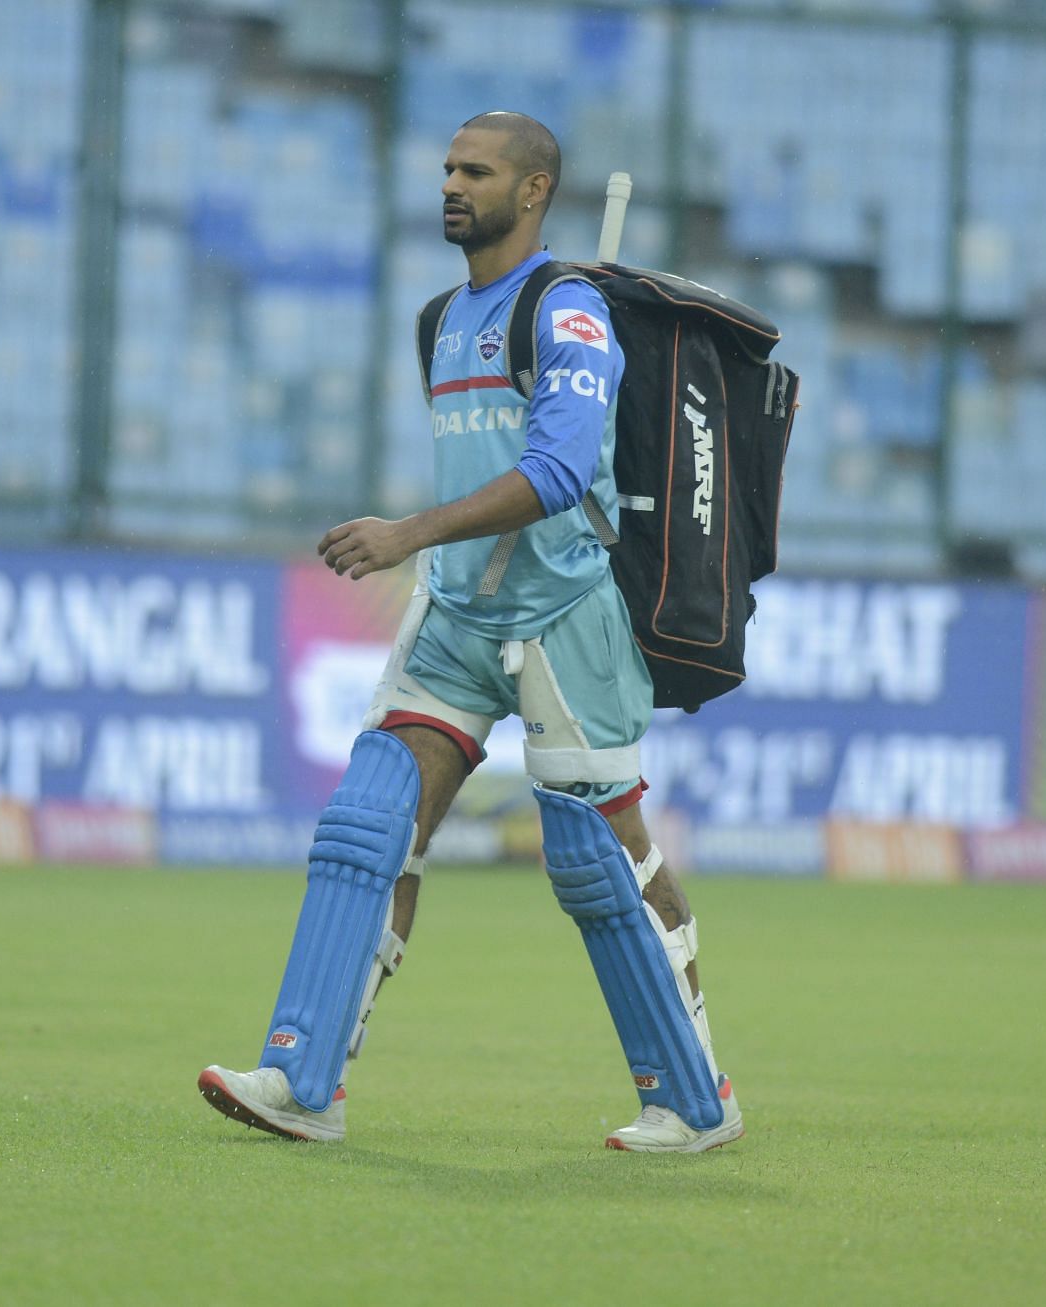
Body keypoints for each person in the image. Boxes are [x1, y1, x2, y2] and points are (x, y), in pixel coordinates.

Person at [198, 112, 741, 1153]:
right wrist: (434, 551)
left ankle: (695, 1095)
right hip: (457, 609)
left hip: (567, 612)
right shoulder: (441, 318)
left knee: (602, 856)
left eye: (476, 171)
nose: (452, 184)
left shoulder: (569, 310)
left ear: (533, 192)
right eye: (446, 166)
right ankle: (304, 1079)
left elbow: (557, 472)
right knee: (370, 822)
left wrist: (409, 531)